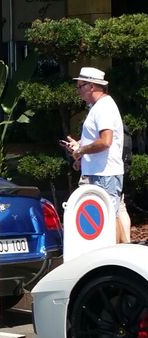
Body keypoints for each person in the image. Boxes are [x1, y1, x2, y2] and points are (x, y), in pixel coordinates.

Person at [64, 67, 125, 241]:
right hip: (100, 172)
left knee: (108, 217)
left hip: (104, 174)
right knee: (110, 215)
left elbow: (106, 141)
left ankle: (115, 256)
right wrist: (82, 153)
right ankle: (117, 253)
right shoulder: (99, 106)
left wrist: (81, 150)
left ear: (91, 86)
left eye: (80, 86)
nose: (78, 91)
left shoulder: (103, 108)